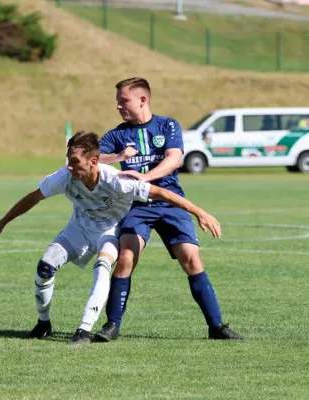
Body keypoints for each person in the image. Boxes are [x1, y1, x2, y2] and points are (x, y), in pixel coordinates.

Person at [0, 131, 222, 345]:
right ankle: (43, 323)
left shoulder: (116, 181)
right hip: (78, 228)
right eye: (68, 160)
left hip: (109, 230)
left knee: (103, 266)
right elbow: (34, 197)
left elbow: (161, 192)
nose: (69, 166)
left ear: (93, 162)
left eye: (74, 162)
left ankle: (84, 330)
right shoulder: (64, 177)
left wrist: (200, 213)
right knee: (45, 266)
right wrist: (0, 224)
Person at [94, 77, 243, 342]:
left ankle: (216, 326)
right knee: (126, 257)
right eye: (117, 101)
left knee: (192, 260)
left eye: (123, 100)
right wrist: (118, 157)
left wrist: (145, 177)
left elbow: (173, 160)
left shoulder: (167, 125)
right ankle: (112, 325)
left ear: (142, 99)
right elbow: (89, 156)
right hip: (137, 206)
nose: (118, 106)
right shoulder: (116, 135)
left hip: (171, 203)